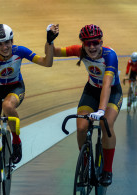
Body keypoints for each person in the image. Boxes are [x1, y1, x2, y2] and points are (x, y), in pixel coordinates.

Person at [0, 23, 59, 195]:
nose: (5, 47)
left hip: (15, 89)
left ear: (12, 40)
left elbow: (47, 63)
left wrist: (49, 42)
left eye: (8, 42)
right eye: (0, 44)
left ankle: (16, 141)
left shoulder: (20, 51)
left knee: (7, 105)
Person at [52, 24, 122, 186]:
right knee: (82, 127)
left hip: (112, 92)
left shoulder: (110, 56)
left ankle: (107, 170)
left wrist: (101, 110)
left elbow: (106, 84)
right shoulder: (79, 51)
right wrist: (50, 41)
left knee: (107, 125)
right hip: (91, 91)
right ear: (83, 44)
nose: (92, 47)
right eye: (88, 43)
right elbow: (54, 53)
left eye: (95, 42)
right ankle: (85, 166)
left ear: (101, 42)